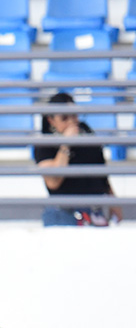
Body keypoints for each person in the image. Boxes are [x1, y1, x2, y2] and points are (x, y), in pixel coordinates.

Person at [34, 92, 123, 227]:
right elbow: (53, 182)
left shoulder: (86, 133)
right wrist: (66, 144)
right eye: (64, 118)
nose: (71, 122)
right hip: (63, 213)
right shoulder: (44, 143)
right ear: (51, 120)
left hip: (94, 211)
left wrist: (112, 200)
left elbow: (100, 171)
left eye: (74, 116)